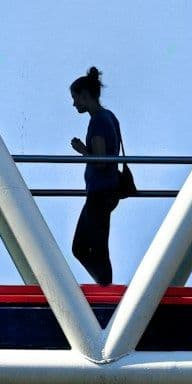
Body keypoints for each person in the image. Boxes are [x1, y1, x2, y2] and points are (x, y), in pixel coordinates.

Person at [68, 65, 123, 287]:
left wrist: (82, 150)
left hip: (100, 191)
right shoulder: (109, 117)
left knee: (83, 247)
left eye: (75, 98)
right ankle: (105, 285)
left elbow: (100, 161)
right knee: (96, 245)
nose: (74, 104)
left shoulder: (98, 120)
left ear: (84, 95)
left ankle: (105, 287)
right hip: (106, 190)